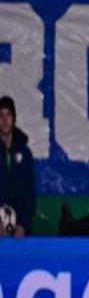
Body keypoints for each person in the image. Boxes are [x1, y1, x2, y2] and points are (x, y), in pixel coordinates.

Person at [0, 96, 36, 238]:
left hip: (20, 234)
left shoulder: (25, 153)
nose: (4, 120)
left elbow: (30, 194)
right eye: (1, 115)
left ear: (14, 118)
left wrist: (23, 225)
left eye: (8, 115)